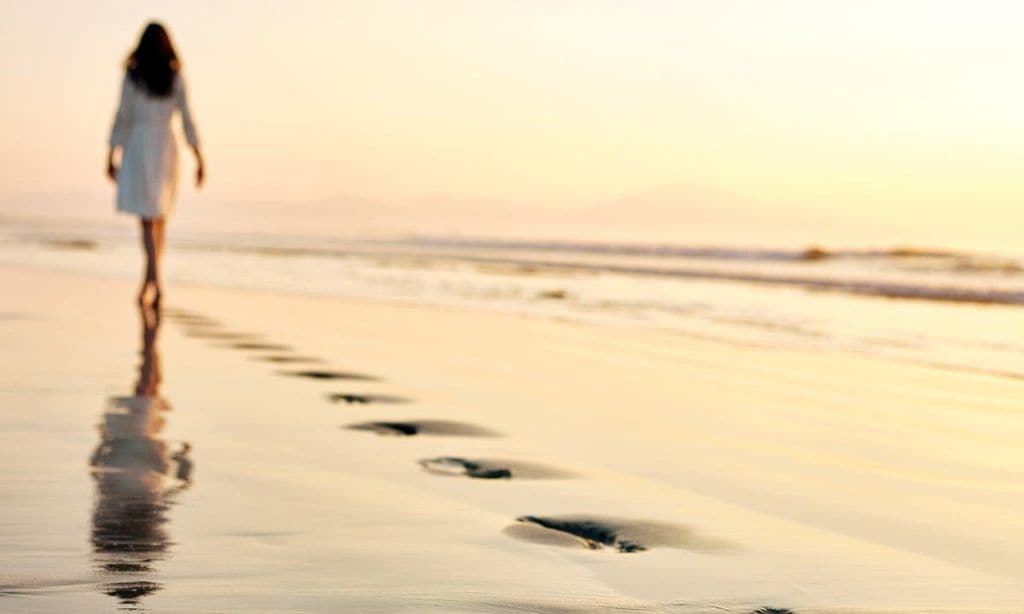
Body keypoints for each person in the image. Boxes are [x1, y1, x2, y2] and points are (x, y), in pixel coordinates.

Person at [106, 22, 204, 307]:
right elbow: (187, 120)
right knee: (156, 218)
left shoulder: (136, 78)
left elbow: (122, 117)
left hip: (140, 146)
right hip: (163, 146)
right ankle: (154, 279)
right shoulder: (171, 78)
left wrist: (111, 153)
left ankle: (152, 279)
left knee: (151, 219)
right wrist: (198, 156)